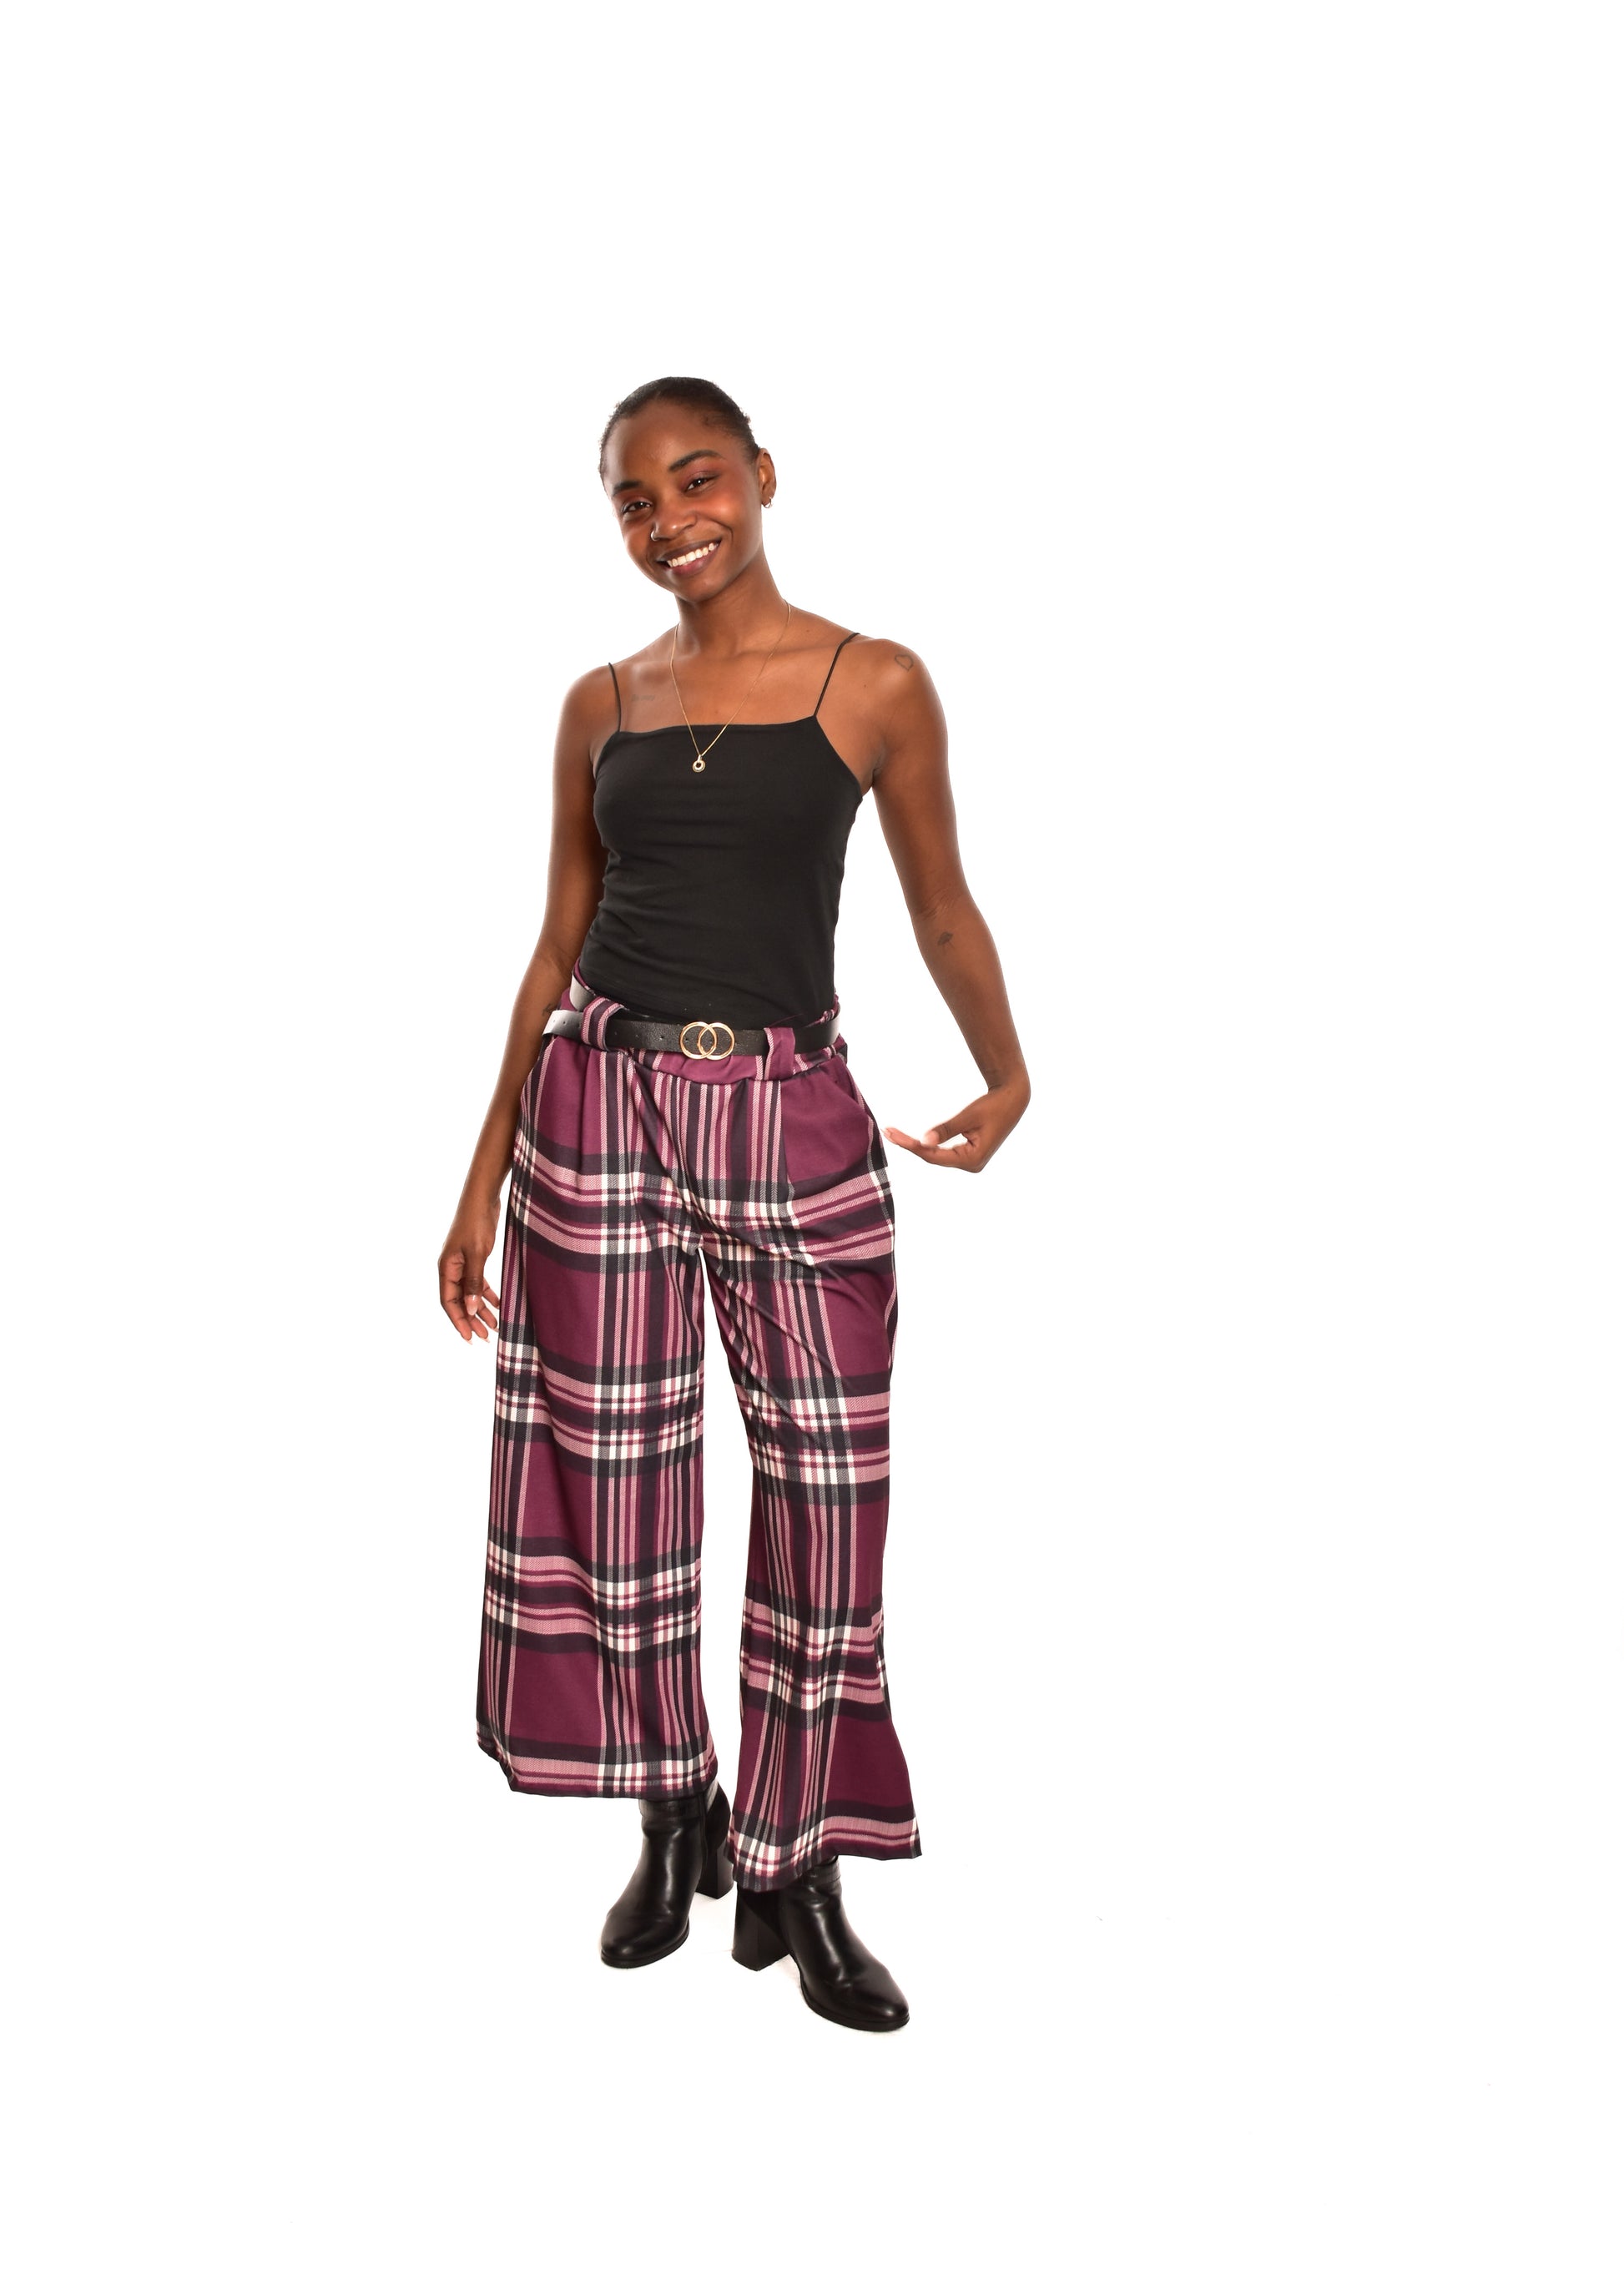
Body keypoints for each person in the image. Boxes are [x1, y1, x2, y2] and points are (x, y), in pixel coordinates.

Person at [438, 376, 1029, 2032]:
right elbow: (555, 944)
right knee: (616, 1491)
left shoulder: (871, 680)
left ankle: (797, 1860)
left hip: (790, 1108)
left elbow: (940, 902)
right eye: (632, 500)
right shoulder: (602, 701)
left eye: (695, 480)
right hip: (598, 1111)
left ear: (762, 475)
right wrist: (480, 1179)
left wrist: (1007, 1069)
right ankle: (675, 1808)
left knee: (828, 1492)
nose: (668, 519)